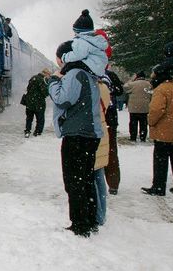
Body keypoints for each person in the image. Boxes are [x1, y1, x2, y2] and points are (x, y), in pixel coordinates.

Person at [49, 41, 103, 237]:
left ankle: (80, 224)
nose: (57, 61)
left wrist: (53, 82)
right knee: (86, 178)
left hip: (77, 134)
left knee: (74, 181)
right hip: (88, 133)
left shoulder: (74, 74)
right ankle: (89, 220)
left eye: (58, 57)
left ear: (65, 57)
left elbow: (63, 100)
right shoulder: (88, 74)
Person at [142, 43, 173, 196]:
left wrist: (150, 122)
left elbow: (156, 110)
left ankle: (158, 186)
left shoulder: (162, 89)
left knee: (161, 159)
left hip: (164, 131)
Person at [60, 10, 109, 77]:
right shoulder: (94, 38)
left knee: (70, 64)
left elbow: (78, 55)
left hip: (92, 67)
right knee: (75, 62)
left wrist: (65, 57)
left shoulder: (81, 41)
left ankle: (62, 77)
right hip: (99, 66)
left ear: (78, 31)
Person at [94, 77, 112, 225]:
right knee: (98, 174)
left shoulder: (91, 86)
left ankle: (97, 216)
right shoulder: (104, 87)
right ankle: (101, 214)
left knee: (92, 176)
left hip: (91, 134)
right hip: (101, 131)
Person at [103, 68, 123, 194]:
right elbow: (120, 90)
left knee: (94, 151)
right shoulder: (110, 75)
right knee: (111, 151)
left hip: (97, 118)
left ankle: (95, 181)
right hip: (110, 118)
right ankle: (113, 183)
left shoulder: (88, 73)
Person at [123, 71, 152, 142]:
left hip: (134, 107)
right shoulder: (149, 84)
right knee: (143, 123)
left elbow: (125, 87)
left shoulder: (133, 84)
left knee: (133, 123)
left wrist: (131, 79)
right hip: (145, 107)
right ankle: (143, 136)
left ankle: (133, 137)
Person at [23, 69, 51, 138]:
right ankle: (37, 132)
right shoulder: (43, 80)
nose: (49, 77)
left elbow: (28, 88)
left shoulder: (33, 78)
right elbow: (45, 92)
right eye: (49, 75)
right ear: (46, 74)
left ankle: (27, 131)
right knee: (40, 119)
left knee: (29, 118)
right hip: (39, 103)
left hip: (29, 102)